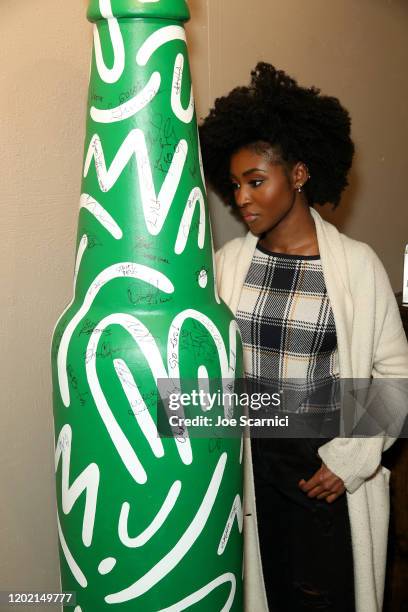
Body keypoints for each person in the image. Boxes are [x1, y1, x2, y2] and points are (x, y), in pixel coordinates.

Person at [199, 63, 408, 612]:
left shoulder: (356, 266)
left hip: (324, 469)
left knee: (325, 596)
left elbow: (395, 373)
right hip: (252, 465)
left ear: (297, 174)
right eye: (236, 184)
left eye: (256, 181)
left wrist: (350, 459)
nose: (241, 198)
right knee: (260, 590)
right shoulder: (228, 265)